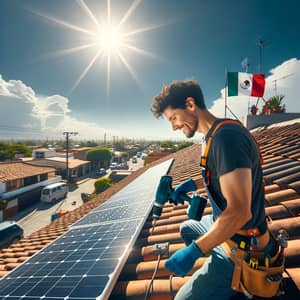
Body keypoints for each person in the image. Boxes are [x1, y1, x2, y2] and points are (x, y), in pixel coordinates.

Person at [151, 79, 280, 300]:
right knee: (186, 227)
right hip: (223, 225)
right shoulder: (211, 135)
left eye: (173, 118)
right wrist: (191, 186)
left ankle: (225, 281)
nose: (173, 127)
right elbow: (221, 175)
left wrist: (194, 251)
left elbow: (240, 212)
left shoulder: (226, 138)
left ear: (190, 104)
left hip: (242, 245)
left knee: (181, 299)